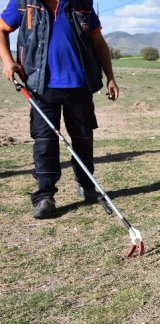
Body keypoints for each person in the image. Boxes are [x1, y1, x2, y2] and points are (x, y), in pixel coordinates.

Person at [0, 0, 119, 219]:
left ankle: (86, 185)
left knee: (83, 139)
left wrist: (110, 77)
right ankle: (45, 196)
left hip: (80, 86)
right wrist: (7, 61)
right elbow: (1, 29)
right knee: (45, 142)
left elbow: (98, 41)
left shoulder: (81, 4)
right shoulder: (24, 3)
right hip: (40, 86)